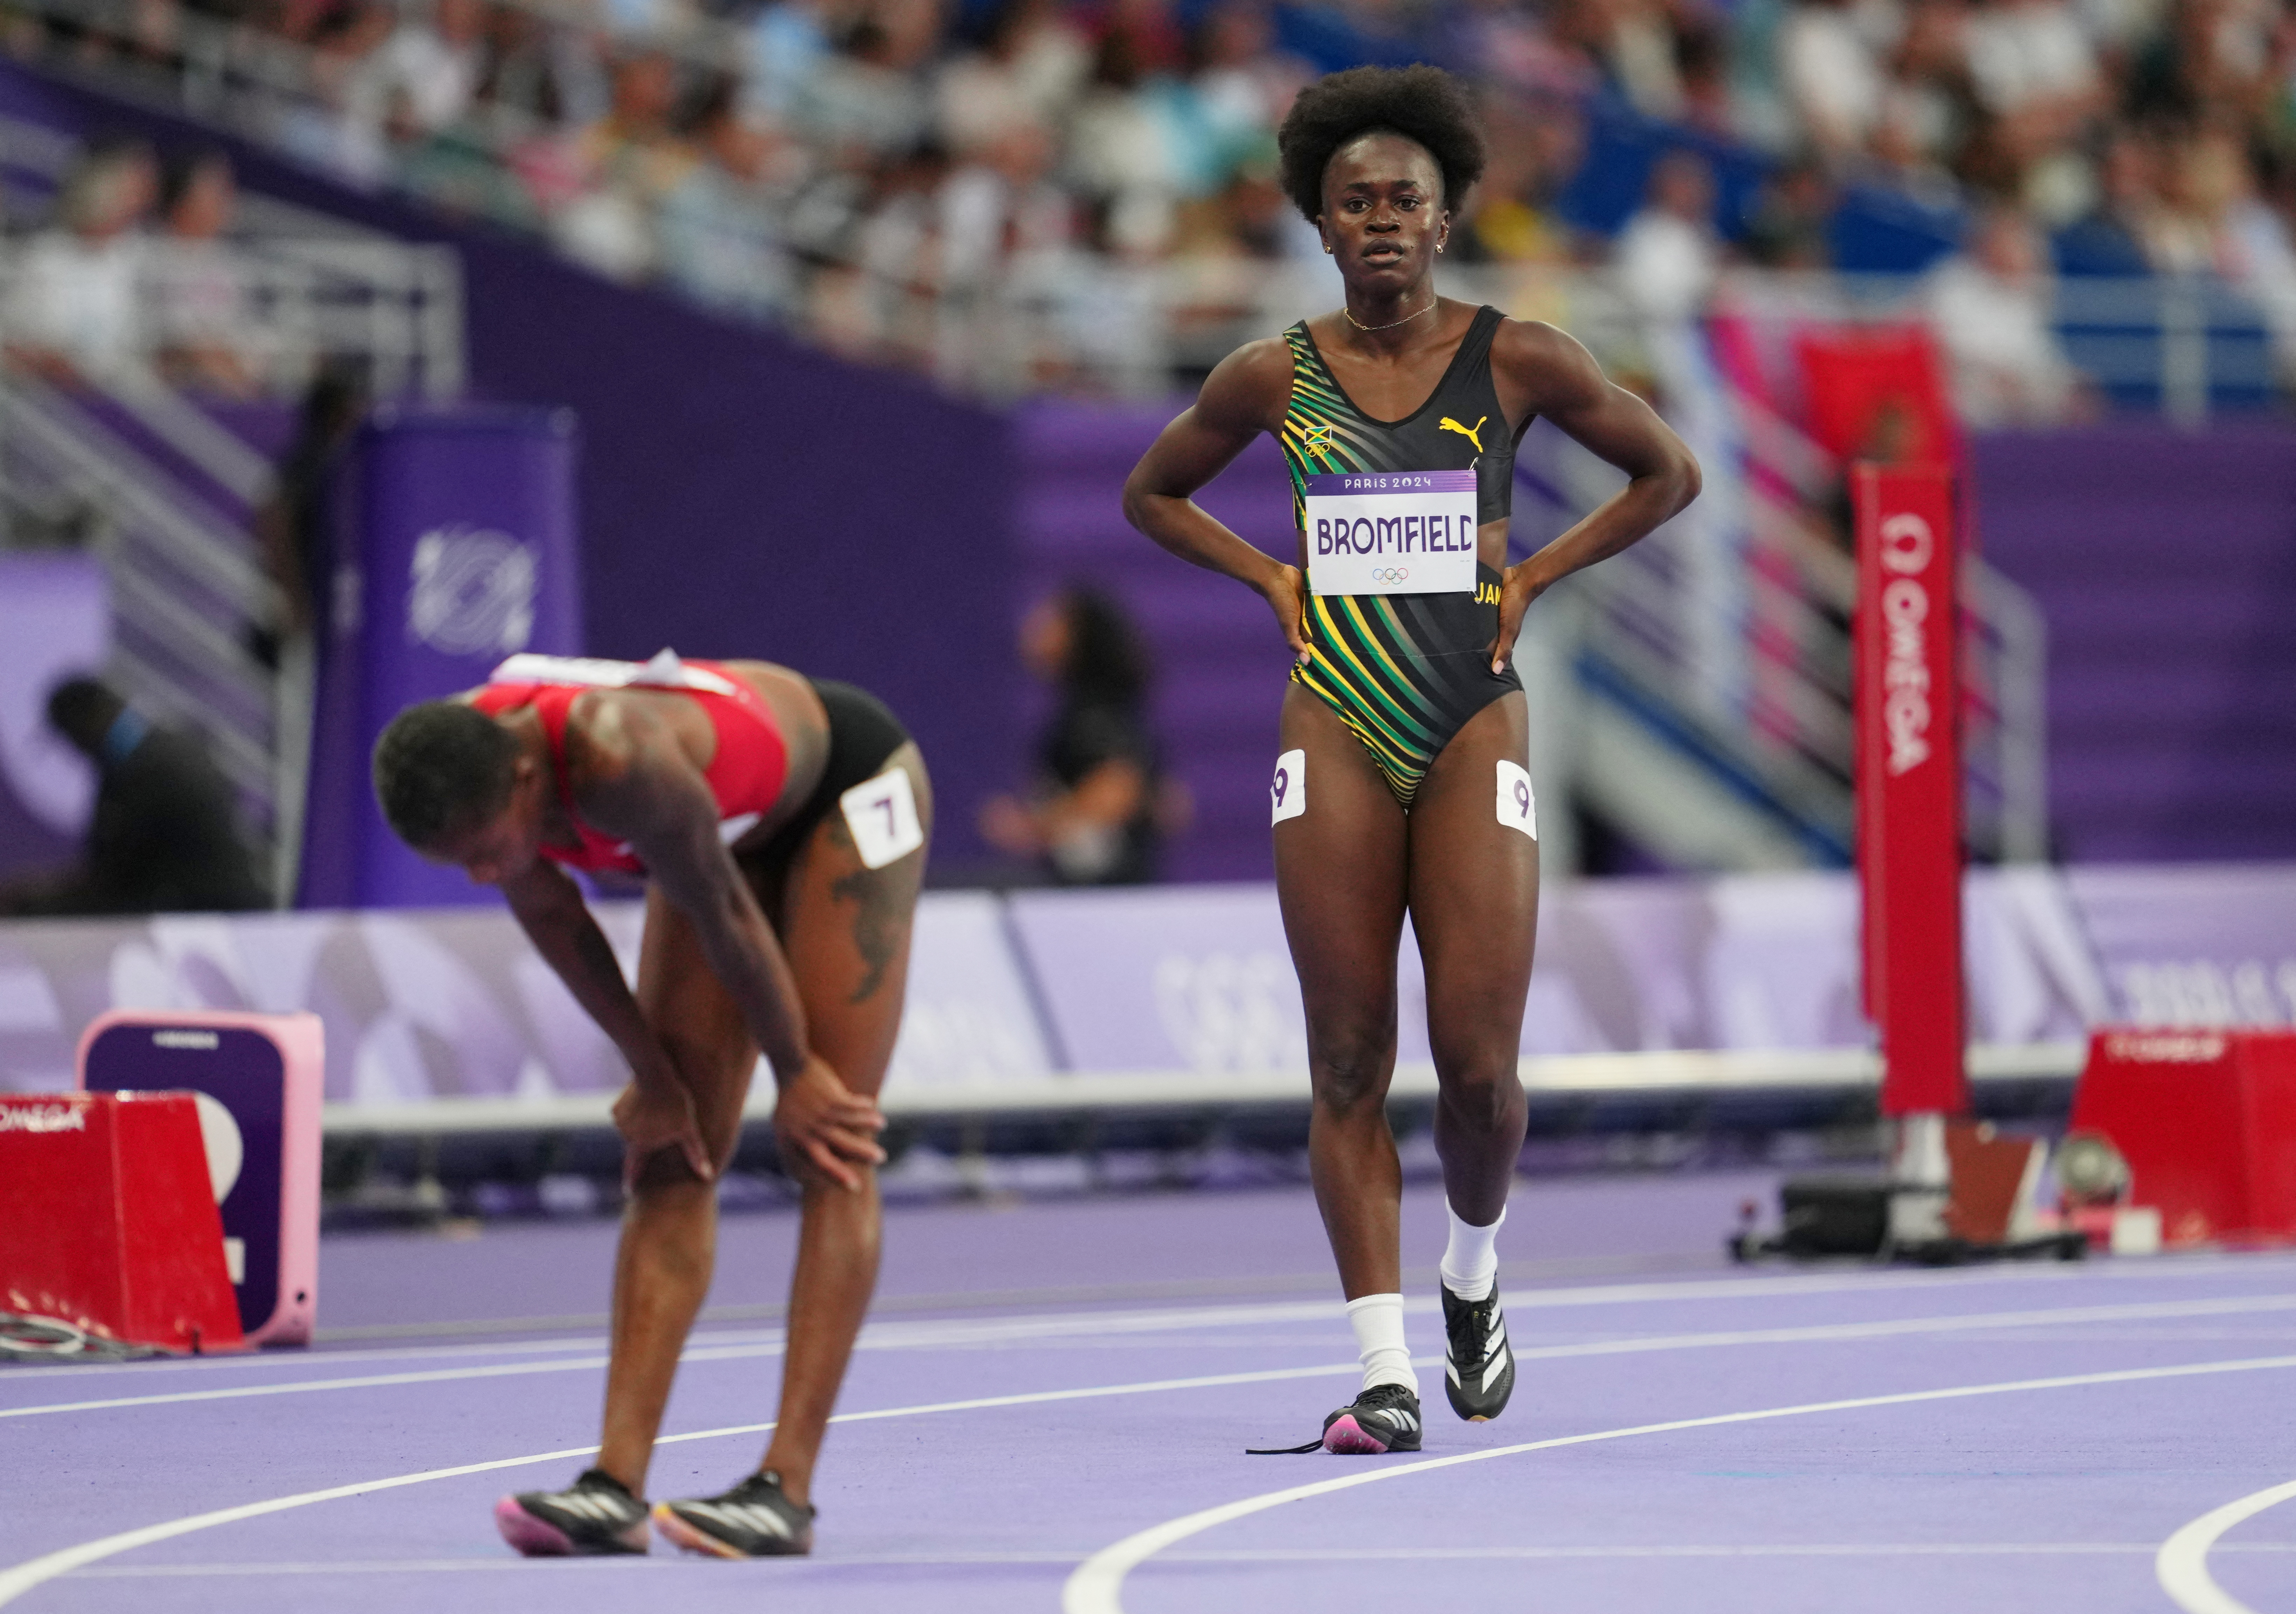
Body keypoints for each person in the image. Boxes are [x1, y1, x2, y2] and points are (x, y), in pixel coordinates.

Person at [1122, 65, 1698, 1454]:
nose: (1380, 221)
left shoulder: (1521, 358)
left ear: (1447, 222)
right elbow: (1149, 493)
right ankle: (1381, 1366)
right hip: (1330, 711)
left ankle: (1473, 1273)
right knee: (1345, 1057)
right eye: (1354, 202)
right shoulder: (1272, 373)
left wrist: (1538, 575)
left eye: (1405, 201)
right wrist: (1268, 578)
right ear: (1321, 225)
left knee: (1483, 1071)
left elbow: (1667, 472)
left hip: (1470, 716)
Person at [369, 650, 930, 1556]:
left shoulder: (612, 759)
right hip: (717, 841)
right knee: (673, 1155)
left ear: (525, 778)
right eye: (462, 865)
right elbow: (559, 925)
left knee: (829, 1140)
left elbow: (725, 915)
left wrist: (797, 1075)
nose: (483, 876)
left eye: (487, 853)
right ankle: (614, 1486)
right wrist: (657, 1085)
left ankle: (784, 1491)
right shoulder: (468, 763)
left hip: (846, 791)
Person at [0, 676, 268, 916]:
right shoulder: (158, 748)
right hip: (218, 912)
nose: (73, 751)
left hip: (210, 919)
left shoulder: (145, 771)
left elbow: (114, 883)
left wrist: (31, 898)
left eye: (69, 737)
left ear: (88, 722)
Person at [978, 586, 1183, 884]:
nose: (1034, 628)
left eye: (1051, 622)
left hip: (1106, 895)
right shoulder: (1091, 709)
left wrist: (1033, 827)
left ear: (1077, 638)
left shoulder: (1094, 716)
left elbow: (1117, 789)